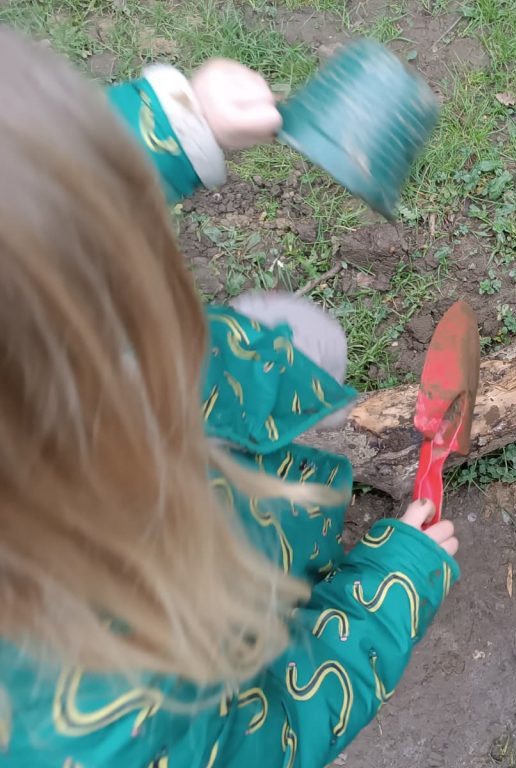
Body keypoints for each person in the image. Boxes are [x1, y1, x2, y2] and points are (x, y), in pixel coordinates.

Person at [0, 27, 458, 765]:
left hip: (213, 406)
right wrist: (387, 592)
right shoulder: (99, 715)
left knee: (303, 335)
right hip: (232, 578)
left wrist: (179, 126)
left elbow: (31, 194)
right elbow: (274, 732)